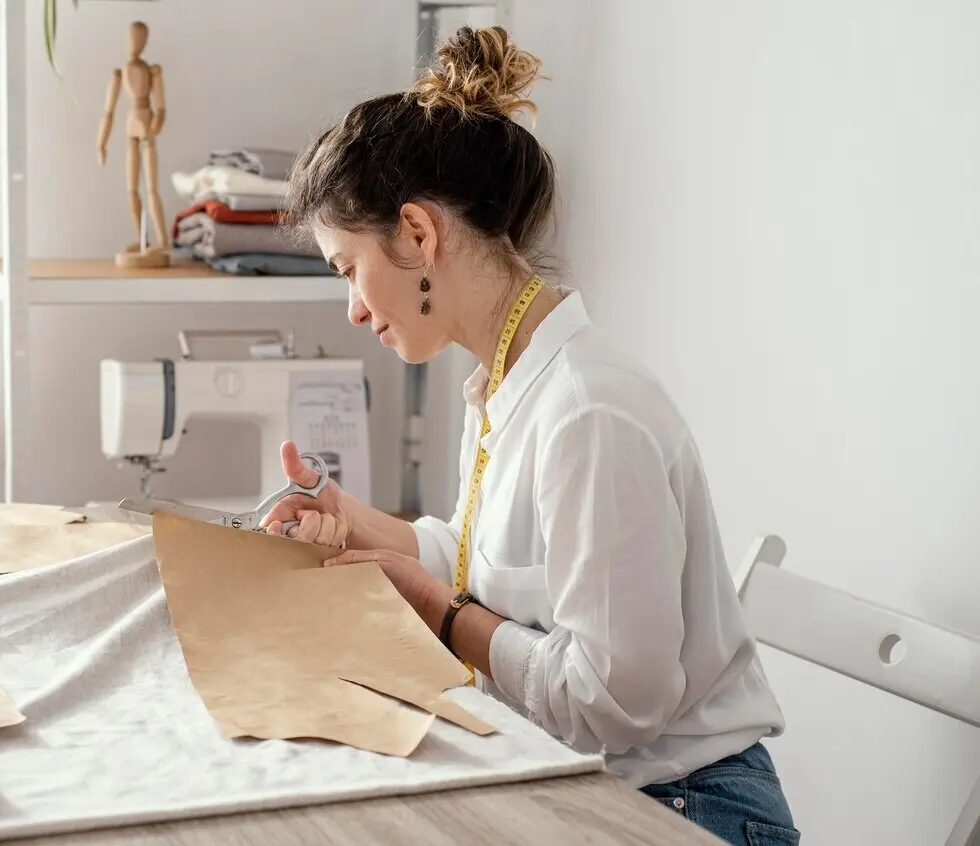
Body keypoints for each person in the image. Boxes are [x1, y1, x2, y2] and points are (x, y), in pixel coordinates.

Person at [262, 25, 800, 846]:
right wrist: (353, 520)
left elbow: (613, 704)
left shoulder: (587, 414)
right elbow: (491, 566)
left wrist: (440, 614)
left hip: (687, 809)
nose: (354, 310)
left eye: (348, 270)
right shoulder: (508, 382)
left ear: (417, 234)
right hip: (605, 784)